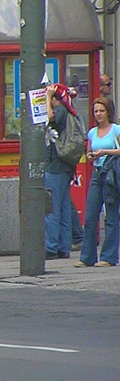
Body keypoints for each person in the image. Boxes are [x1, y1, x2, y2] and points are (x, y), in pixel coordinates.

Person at [75, 96, 120, 268]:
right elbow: (88, 154)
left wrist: (105, 152)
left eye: (102, 111)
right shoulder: (92, 132)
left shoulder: (116, 130)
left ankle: (108, 257)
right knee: (90, 215)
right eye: (96, 111)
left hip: (112, 174)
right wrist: (92, 156)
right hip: (97, 174)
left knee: (111, 215)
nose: (99, 114)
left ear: (108, 112)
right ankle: (87, 257)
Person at [45, 83, 78, 260]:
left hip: (55, 167)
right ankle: (64, 247)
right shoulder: (68, 111)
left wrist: (48, 97)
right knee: (64, 208)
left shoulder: (60, 111)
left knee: (51, 208)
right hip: (64, 168)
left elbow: (50, 116)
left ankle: (51, 246)